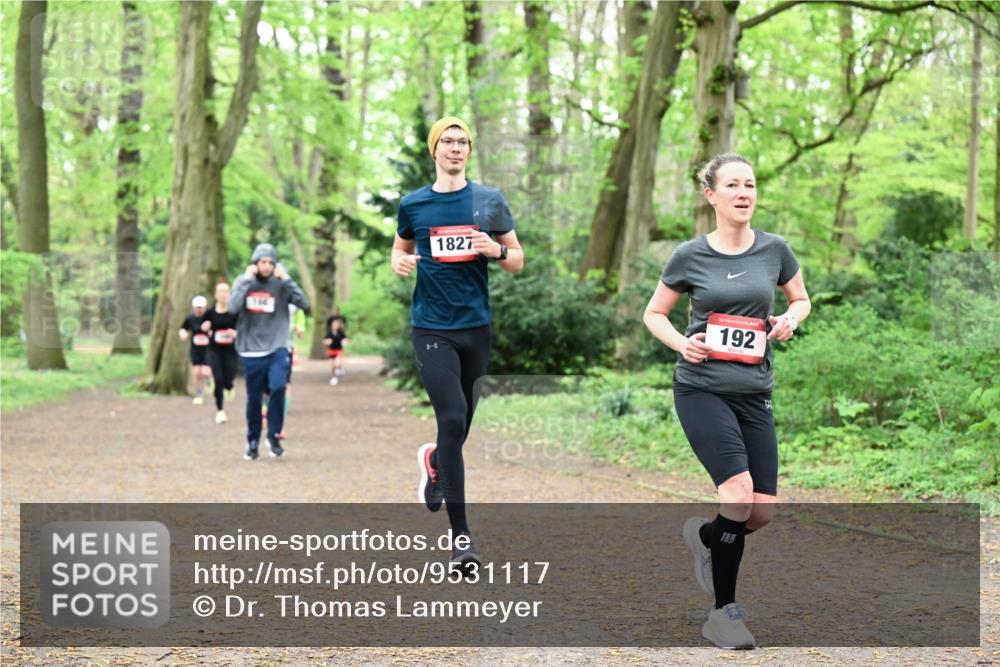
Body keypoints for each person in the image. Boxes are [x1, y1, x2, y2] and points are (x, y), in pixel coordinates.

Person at [642, 153, 810, 650]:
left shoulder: (775, 249)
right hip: (701, 388)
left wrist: (789, 320)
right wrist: (681, 343)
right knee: (736, 494)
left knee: (758, 514)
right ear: (711, 195)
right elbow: (654, 313)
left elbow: (800, 298)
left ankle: (707, 539)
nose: (744, 193)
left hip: (754, 395)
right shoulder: (690, 255)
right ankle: (723, 613)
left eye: (750, 184)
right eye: (733, 185)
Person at [392, 116, 524, 569]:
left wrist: (497, 251)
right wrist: (399, 263)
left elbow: (517, 260)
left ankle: (435, 462)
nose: (455, 147)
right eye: (447, 141)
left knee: (461, 424)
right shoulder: (414, 205)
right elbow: (401, 247)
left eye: (462, 141)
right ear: (435, 150)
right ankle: (462, 539)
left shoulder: (488, 201)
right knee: (451, 418)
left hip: (476, 328)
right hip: (431, 327)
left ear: (470, 149)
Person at [229, 243, 310, 461]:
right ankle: (252, 441)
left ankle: (273, 435)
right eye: (262, 262)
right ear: (255, 264)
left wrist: (287, 280)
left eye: (270, 263)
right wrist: (246, 280)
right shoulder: (244, 282)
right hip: (251, 350)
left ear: (275, 265)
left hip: (278, 346)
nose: (266, 266)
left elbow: (304, 303)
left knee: (277, 387)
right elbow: (232, 308)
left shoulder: (281, 284)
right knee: (254, 398)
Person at [201, 281, 240, 424]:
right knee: (218, 379)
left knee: (228, 380)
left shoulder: (234, 312)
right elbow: (203, 327)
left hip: (230, 351)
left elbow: (242, 329)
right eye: (220, 291)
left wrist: (235, 333)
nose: (223, 294)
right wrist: (205, 327)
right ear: (216, 294)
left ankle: (229, 386)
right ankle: (220, 411)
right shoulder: (210, 312)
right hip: (214, 350)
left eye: (225, 291)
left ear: (229, 294)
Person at [178, 296, 211, 405]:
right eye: (197, 307)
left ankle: (209, 383)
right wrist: (183, 333)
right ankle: (198, 394)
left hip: (208, 349)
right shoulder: (190, 318)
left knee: (205, 371)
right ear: (193, 308)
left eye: (201, 307)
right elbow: (183, 328)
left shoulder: (210, 317)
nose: (199, 309)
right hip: (196, 349)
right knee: (196, 373)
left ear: (205, 307)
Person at [322, 312, 348, 385]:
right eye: (333, 325)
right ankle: (334, 377)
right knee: (332, 365)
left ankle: (339, 369)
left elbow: (345, 339)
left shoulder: (341, 333)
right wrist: (327, 342)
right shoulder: (329, 333)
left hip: (338, 350)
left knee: (337, 363)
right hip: (331, 350)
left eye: (336, 325)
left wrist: (344, 342)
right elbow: (324, 340)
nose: (334, 326)